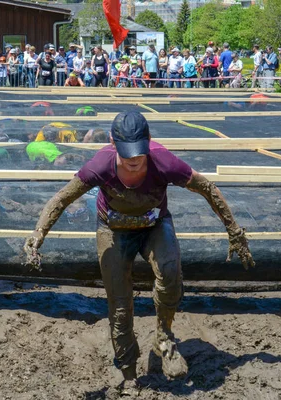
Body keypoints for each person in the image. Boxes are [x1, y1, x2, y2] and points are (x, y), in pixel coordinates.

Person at [23, 111, 255, 393]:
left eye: (139, 156)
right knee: (120, 306)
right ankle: (129, 372)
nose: (133, 164)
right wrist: (38, 234)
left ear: (148, 142)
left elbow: (206, 187)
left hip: (154, 224)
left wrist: (234, 232)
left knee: (170, 273)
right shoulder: (101, 165)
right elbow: (62, 198)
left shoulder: (164, 161)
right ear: (112, 143)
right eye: (126, 156)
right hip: (114, 229)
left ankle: (164, 337)